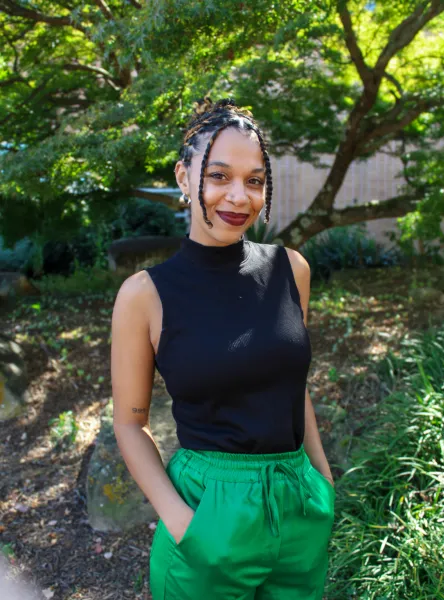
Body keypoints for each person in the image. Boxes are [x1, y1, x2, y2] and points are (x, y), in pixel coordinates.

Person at [111, 97, 335, 600]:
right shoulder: (144, 296)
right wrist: (182, 523)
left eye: (254, 180)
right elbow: (129, 422)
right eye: (219, 176)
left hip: (298, 508)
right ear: (185, 178)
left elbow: (292, 386)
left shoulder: (291, 270)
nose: (239, 197)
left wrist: (322, 481)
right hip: (208, 513)